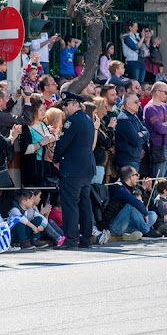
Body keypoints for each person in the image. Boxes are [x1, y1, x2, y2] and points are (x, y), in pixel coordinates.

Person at [53, 92, 96, 250]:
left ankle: (70, 240)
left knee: (70, 204)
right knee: (85, 204)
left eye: (66, 104)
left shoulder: (72, 121)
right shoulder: (87, 119)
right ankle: (86, 239)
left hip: (72, 169)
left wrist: (55, 159)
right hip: (86, 167)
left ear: (75, 104)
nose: (64, 108)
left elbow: (62, 143)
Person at [104, 165, 159, 240]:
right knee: (131, 206)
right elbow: (135, 203)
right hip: (115, 225)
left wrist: (147, 190)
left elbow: (144, 204)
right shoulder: (119, 188)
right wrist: (145, 213)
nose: (138, 177)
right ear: (130, 177)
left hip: (128, 222)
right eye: (136, 175)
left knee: (153, 214)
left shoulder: (133, 187)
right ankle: (146, 231)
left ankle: (134, 232)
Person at [144, 82, 167, 178]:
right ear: (157, 92)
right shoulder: (149, 108)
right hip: (158, 148)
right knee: (159, 182)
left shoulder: (165, 106)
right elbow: (160, 129)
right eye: (165, 92)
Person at [114, 93, 149, 171]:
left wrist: (141, 134)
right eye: (136, 102)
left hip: (134, 159)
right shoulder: (124, 119)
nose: (139, 104)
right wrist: (142, 135)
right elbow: (136, 140)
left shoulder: (134, 116)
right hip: (127, 161)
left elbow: (147, 133)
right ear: (128, 104)